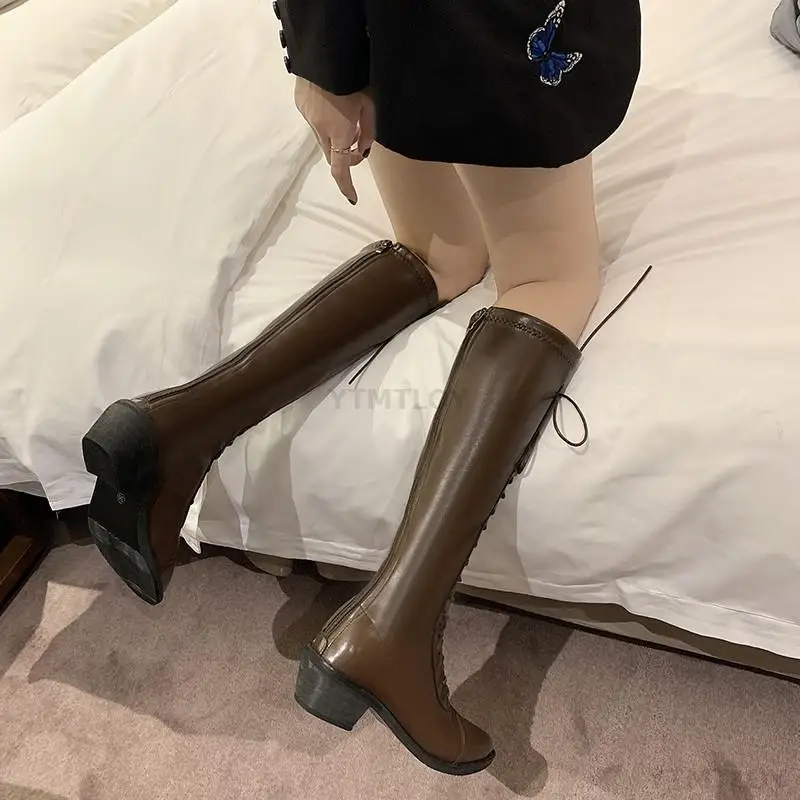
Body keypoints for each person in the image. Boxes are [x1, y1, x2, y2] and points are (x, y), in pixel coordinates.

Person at [81, 0, 641, 776]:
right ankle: (392, 625)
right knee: (551, 278)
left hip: (388, 20)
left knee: (440, 252)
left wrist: (324, 60)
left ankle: (174, 431)